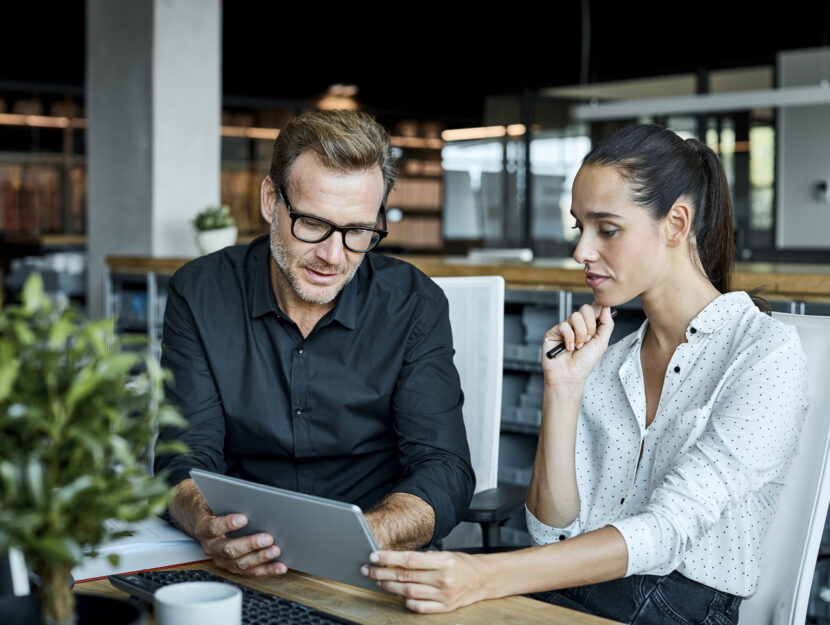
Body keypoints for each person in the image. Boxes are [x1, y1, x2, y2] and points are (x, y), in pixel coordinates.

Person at [362, 124, 809, 624]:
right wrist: (564, 390)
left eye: (607, 229)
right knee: (400, 603)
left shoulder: (764, 353)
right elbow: (550, 534)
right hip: (588, 590)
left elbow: (666, 533)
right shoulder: (611, 360)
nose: (581, 252)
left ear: (676, 224)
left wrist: (483, 576)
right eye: (580, 228)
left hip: (681, 607)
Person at [155, 110, 475, 578]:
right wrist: (208, 523)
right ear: (271, 200)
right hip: (240, 557)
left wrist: (363, 536)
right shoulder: (200, 293)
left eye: (358, 232)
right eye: (311, 223)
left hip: (374, 560)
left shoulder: (414, 305)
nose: (332, 256)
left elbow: (444, 469)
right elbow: (183, 455)